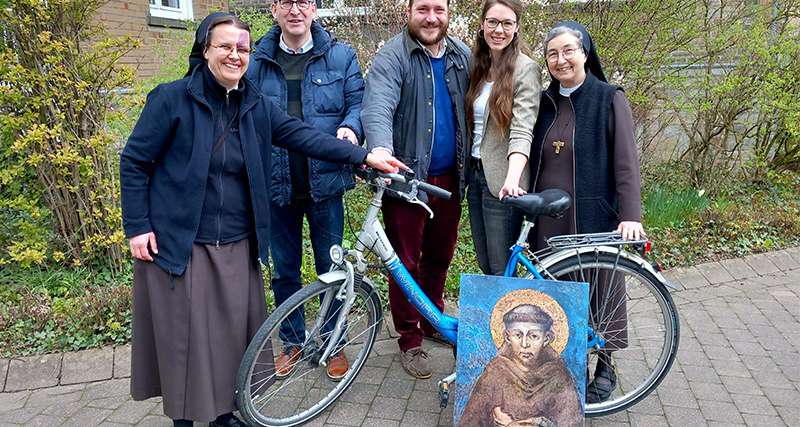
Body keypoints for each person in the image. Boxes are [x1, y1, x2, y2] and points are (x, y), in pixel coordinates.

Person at [120, 13, 404, 427]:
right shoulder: (171, 100)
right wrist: (137, 225)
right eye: (225, 46)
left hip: (236, 241)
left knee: (230, 336)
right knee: (187, 338)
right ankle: (184, 418)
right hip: (181, 242)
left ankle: (220, 415)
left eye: (243, 49)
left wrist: (364, 156)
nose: (235, 55)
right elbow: (134, 162)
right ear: (205, 50)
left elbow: (305, 136)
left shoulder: (255, 106)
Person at [246, 0, 364, 381]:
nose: (295, 10)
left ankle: (334, 342)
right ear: (273, 9)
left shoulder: (341, 56)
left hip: (325, 183)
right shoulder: (256, 61)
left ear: (313, 8)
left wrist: (350, 128)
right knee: (284, 272)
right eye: (286, 2)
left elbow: (358, 103)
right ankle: (293, 341)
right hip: (277, 186)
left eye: (303, 2)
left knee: (332, 270)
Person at [529, 21, 644, 403]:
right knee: (557, 293)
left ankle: (606, 366)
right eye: (552, 54)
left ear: (585, 53)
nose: (560, 60)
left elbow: (627, 164)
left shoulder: (609, 97)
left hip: (595, 212)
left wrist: (631, 215)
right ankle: (568, 364)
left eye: (568, 51)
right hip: (550, 217)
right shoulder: (545, 102)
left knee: (601, 291)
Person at [361, 0, 471, 379]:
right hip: (407, 180)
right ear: (409, 11)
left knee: (439, 257)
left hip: (450, 180)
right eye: (422, 9)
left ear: (448, 13)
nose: (431, 17)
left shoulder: (461, 56)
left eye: (438, 9)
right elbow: (377, 106)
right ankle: (409, 338)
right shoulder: (393, 56)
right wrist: (381, 152)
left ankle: (431, 319)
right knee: (404, 261)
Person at [464, 0, 540, 276]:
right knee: (486, 264)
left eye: (507, 23)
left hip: (504, 181)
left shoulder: (526, 69)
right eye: (493, 22)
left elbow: (523, 128)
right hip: (475, 175)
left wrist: (513, 177)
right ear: (482, 24)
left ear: (517, 28)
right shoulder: (478, 67)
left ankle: (512, 318)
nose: (499, 30)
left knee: (500, 268)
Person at [459, 304, 582, 427]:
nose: (524, 344)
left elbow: (570, 422)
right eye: (518, 335)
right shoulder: (495, 371)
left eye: (533, 336)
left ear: (546, 339)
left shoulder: (558, 377)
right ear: (507, 337)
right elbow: (470, 420)